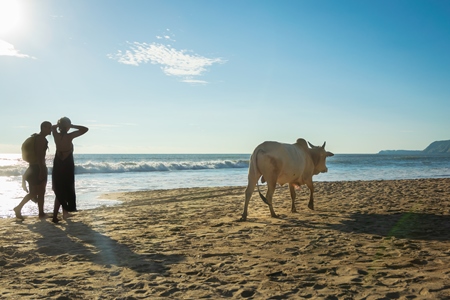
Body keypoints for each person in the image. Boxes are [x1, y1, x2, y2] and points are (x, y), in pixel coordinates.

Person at [51, 117, 88, 223]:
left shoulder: (55, 133)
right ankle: (59, 215)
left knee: (60, 189)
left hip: (58, 162)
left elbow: (53, 127)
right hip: (66, 163)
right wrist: (71, 126)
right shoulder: (70, 136)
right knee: (64, 189)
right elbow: (85, 129)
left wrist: (60, 125)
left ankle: (63, 213)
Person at [14, 121, 52, 220]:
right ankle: (41, 213)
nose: (50, 129)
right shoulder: (41, 139)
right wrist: (42, 170)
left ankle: (18, 208)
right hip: (38, 168)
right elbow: (40, 155)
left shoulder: (36, 137)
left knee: (33, 193)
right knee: (40, 192)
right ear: (43, 128)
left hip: (32, 167)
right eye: (49, 127)